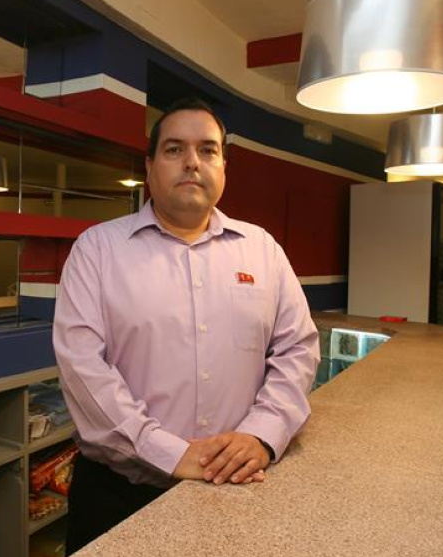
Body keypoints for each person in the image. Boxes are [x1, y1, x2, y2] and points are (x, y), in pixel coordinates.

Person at [53, 97, 320, 554]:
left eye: (208, 150)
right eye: (175, 149)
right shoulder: (96, 250)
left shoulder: (263, 250)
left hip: (236, 485)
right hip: (119, 496)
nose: (192, 162)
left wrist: (261, 434)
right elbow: (83, 368)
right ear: (150, 166)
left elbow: (298, 349)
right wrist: (171, 453)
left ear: (224, 167)